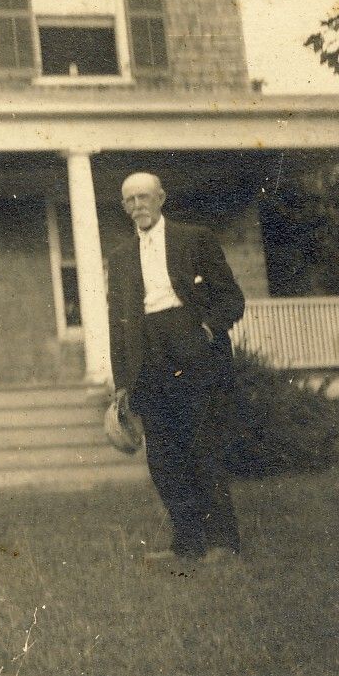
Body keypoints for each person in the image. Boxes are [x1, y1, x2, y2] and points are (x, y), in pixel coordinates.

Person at [107, 172, 247, 565]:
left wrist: (205, 329)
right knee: (164, 457)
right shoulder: (120, 257)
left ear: (161, 198)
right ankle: (187, 543)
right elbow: (117, 323)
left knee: (203, 445)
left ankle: (222, 542)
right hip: (146, 355)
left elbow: (231, 299)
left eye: (144, 197)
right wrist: (122, 382)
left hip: (192, 347)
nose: (138, 206)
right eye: (130, 200)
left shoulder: (194, 239)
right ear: (124, 207)